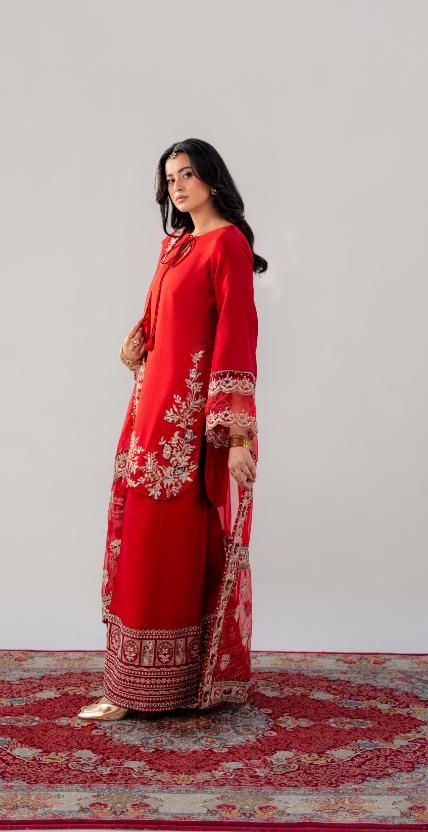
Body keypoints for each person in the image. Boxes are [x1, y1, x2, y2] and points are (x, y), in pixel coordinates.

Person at [77, 138, 267, 720]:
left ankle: (166, 686)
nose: (177, 187)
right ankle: (136, 683)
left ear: (211, 177)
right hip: (148, 419)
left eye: (186, 174)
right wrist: (137, 340)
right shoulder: (176, 245)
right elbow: (161, 320)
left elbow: (237, 334)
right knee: (143, 541)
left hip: (188, 428)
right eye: (169, 179)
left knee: (171, 545)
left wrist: (236, 435)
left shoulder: (227, 245)